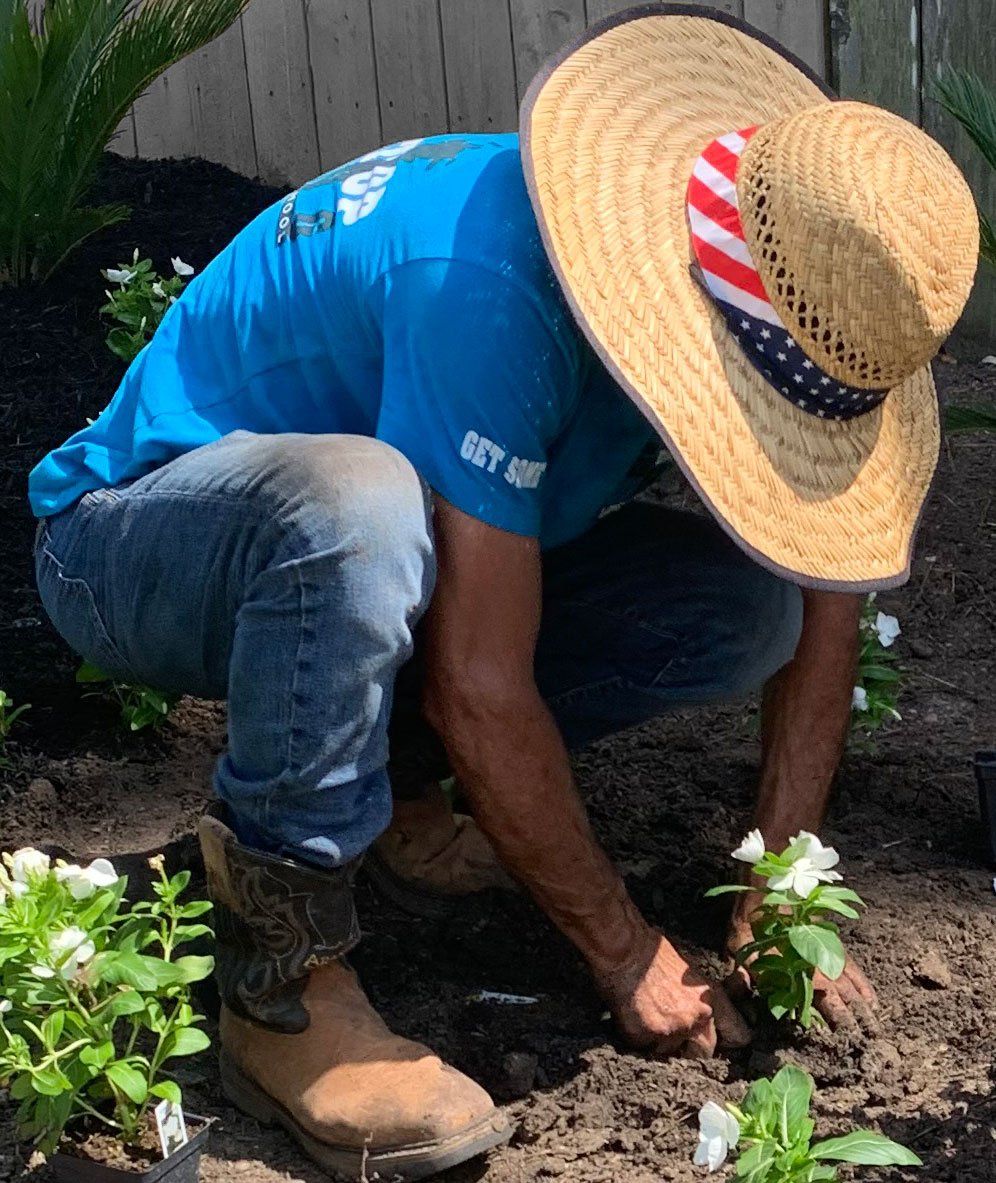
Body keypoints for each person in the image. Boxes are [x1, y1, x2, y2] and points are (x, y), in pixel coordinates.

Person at [29, 6, 977, 1180]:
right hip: (136, 534)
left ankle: (389, 801)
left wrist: (784, 889)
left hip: (371, 563)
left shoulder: (793, 292)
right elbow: (482, 681)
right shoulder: (493, 277)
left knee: (745, 609)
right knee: (356, 505)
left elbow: (825, 598)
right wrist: (623, 948)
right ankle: (283, 989)